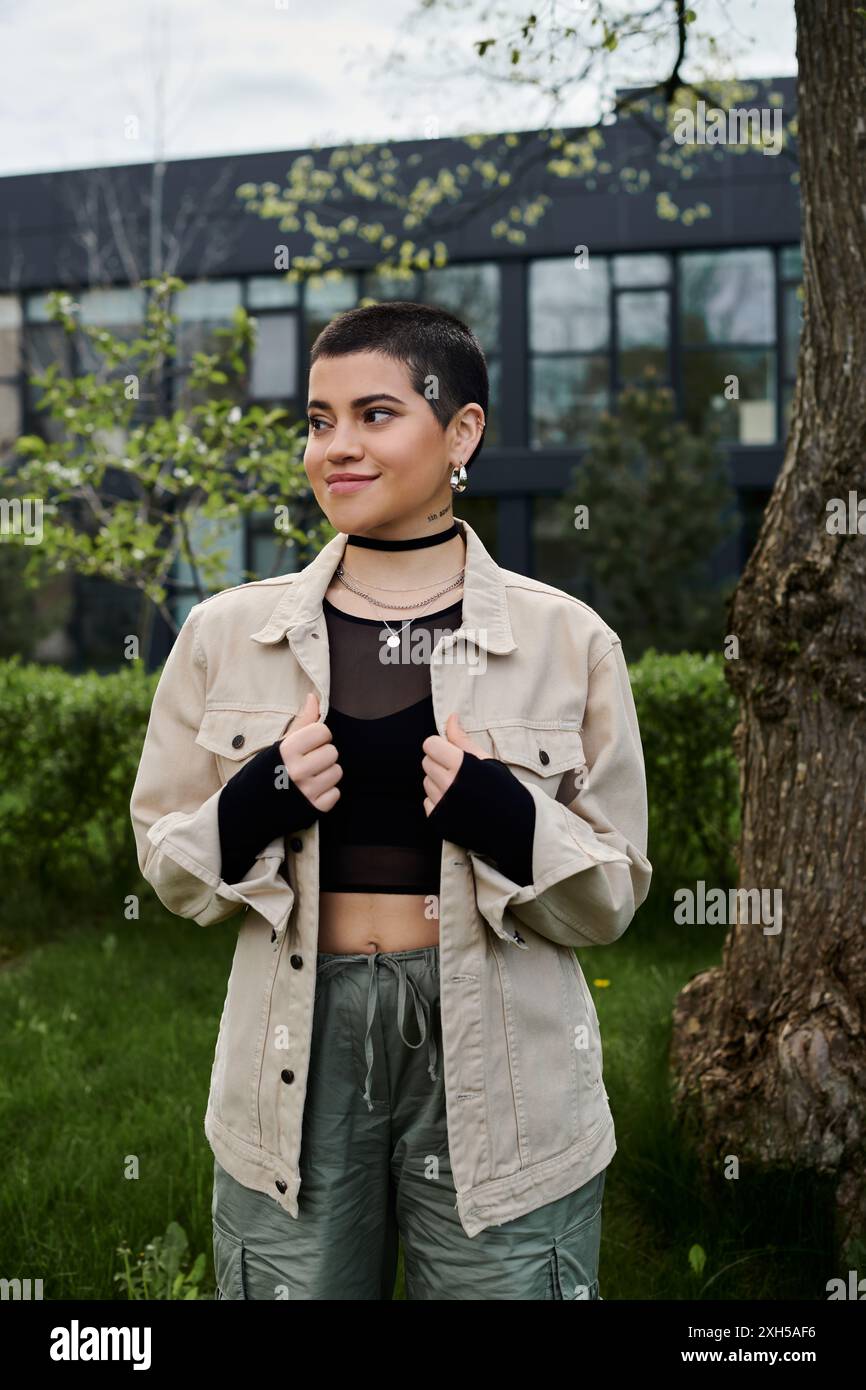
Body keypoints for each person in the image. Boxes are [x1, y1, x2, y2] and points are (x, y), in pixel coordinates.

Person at [129, 300, 652, 1300]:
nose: (336, 447)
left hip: (502, 1066)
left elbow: (612, 895)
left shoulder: (566, 640)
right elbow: (167, 863)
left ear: (460, 432)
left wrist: (504, 816)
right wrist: (249, 807)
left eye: (375, 414)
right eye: (319, 420)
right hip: (295, 1051)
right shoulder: (226, 635)